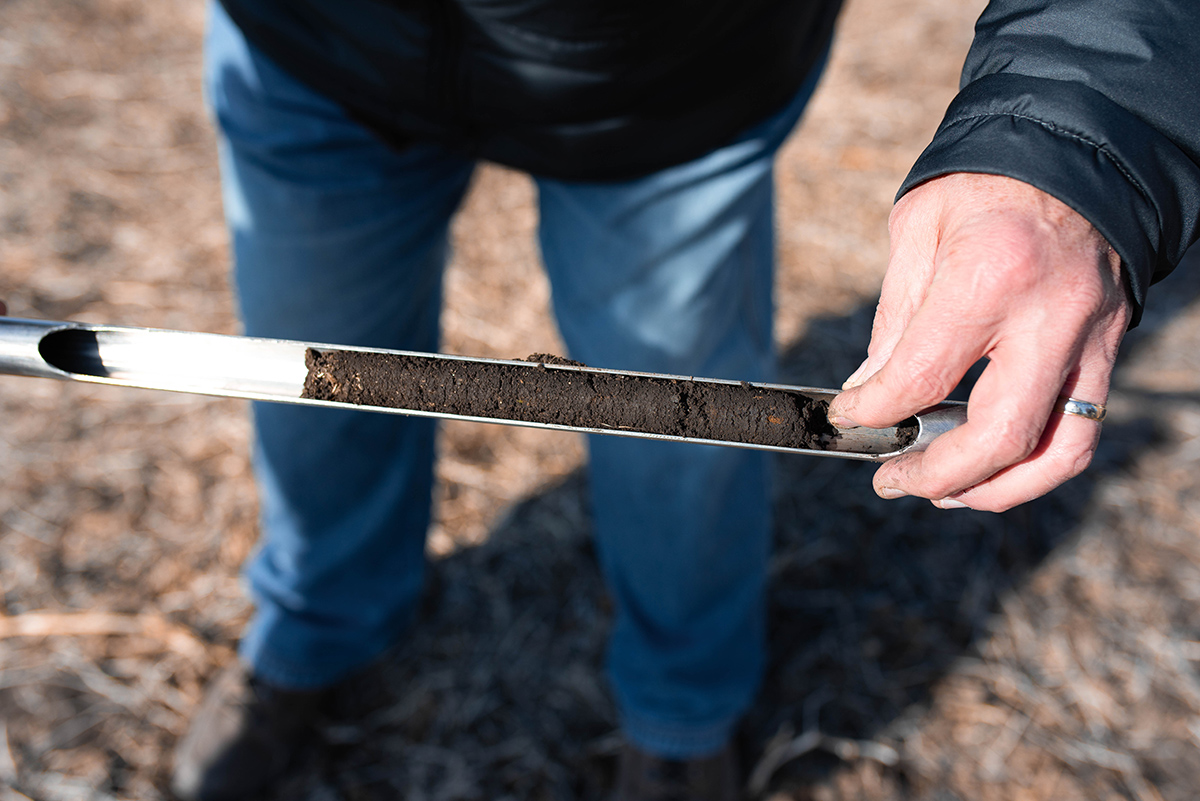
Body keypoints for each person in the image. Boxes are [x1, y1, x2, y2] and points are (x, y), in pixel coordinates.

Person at [170, 1, 1200, 800]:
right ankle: (319, 625)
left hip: (672, 85)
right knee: (311, 384)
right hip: (312, 52)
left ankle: (683, 713)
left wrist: (1075, 130)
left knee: (682, 445)